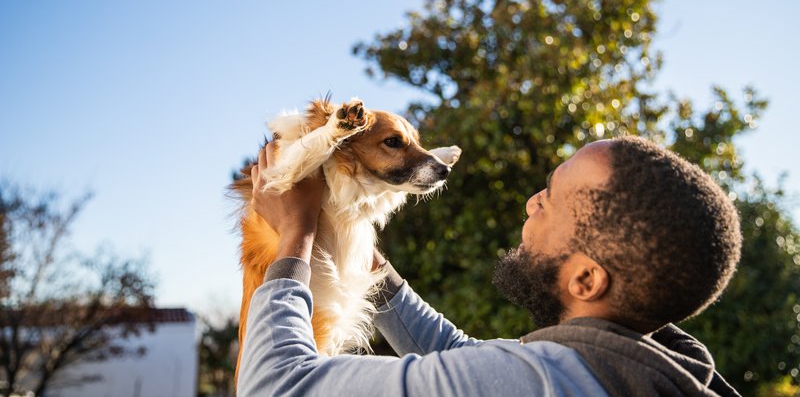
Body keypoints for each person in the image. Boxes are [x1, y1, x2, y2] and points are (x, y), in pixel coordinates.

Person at [236, 136, 742, 397]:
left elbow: (277, 386)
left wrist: (297, 230)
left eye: (552, 200)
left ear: (587, 280)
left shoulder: (542, 385)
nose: (530, 203)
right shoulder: (648, 368)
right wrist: (364, 257)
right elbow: (462, 356)